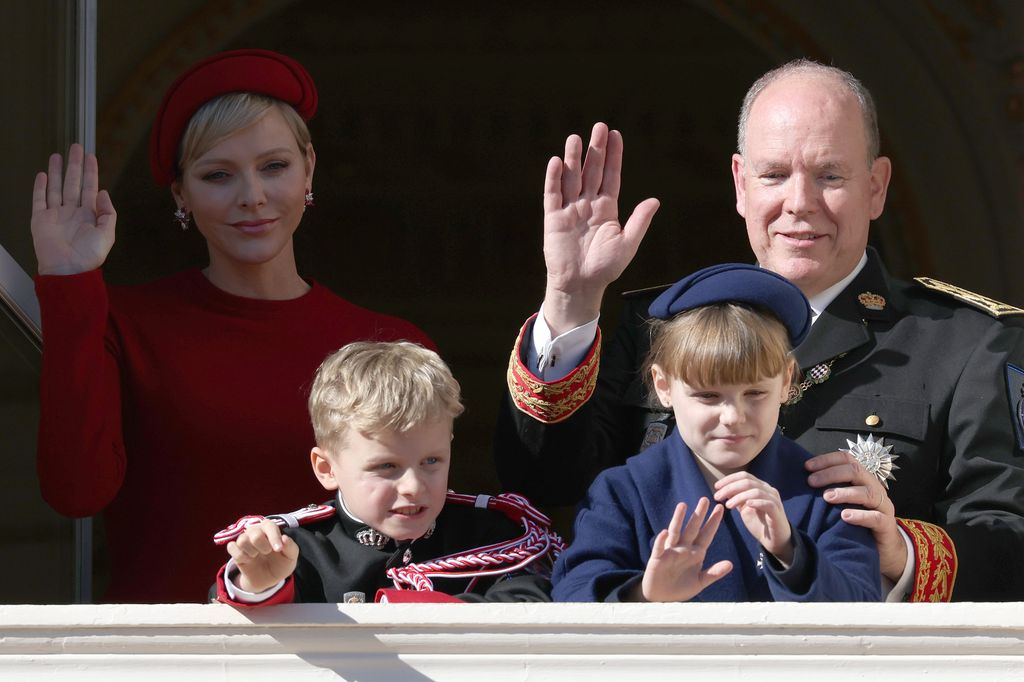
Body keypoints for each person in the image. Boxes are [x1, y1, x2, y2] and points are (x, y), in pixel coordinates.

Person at [497, 59, 1024, 602]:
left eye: (831, 176)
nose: (799, 202)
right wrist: (571, 298)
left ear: (877, 186)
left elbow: (1010, 543)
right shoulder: (659, 327)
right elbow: (542, 486)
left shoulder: (969, 343)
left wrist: (894, 548)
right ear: (740, 184)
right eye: (774, 175)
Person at [32, 49, 433, 602]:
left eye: (274, 166)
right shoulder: (129, 323)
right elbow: (75, 491)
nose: (252, 196)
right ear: (181, 194)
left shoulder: (390, 345)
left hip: (344, 655)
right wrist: (71, 281)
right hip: (170, 652)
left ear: (309, 167)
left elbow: (418, 537)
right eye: (218, 175)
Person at [551, 264, 880, 603]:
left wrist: (790, 550)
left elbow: (863, 615)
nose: (733, 417)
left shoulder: (826, 496)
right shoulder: (624, 492)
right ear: (663, 386)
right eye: (708, 396)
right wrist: (644, 596)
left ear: (785, 382)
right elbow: (573, 598)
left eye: (755, 394)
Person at [212, 341, 556, 605]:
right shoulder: (297, 549)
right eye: (386, 467)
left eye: (432, 461)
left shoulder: (495, 538)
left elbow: (530, 606)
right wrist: (257, 585)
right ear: (327, 468)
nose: (413, 486)